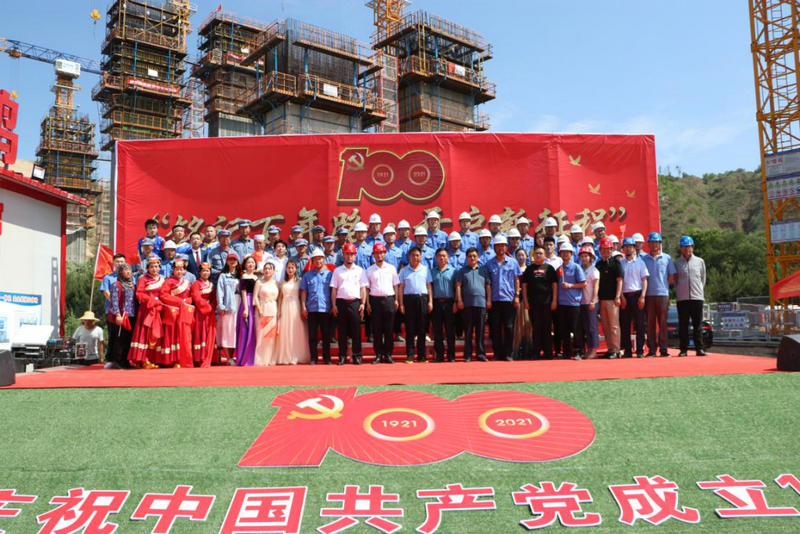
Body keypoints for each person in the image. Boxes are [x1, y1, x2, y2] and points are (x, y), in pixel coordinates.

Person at [485, 235, 521, 361]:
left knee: (509, 327)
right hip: (494, 300)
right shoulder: (489, 264)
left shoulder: (513, 262)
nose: (500, 248)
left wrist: (517, 296)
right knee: (495, 328)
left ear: (506, 247)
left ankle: (508, 353)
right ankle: (497, 353)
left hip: (509, 299)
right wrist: (488, 300)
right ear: (494, 248)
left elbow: (516, 280)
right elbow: (488, 284)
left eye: (503, 245)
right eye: (498, 246)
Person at [330, 243, 368, 365]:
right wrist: (334, 305)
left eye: (352, 254)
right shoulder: (337, 271)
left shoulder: (360, 271)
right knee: (342, 332)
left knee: (356, 331)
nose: (349, 256)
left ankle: (356, 356)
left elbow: (363, 288)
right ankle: (342, 356)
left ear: (355, 256)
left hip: (355, 303)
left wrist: (363, 303)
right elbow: (334, 289)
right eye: (347, 254)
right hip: (341, 303)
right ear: (343, 255)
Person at [642, 232, 676, 357]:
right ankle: (652, 350)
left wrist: (663, 285)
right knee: (650, 323)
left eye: (656, 242)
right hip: (649, 295)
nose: (654, 245)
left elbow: (671, 276)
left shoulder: (667, 258)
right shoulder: (644, 259)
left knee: (663, 323)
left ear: (660, 244)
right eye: (651, 243)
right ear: (648, 244)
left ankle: (664, 349)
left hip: (663, 294)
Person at [521, 245, 558, 360]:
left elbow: (554, 285)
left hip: (547, 303)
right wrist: (525, 301)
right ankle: (536, 352)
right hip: (533, 303)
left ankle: (548, 352)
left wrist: (554, 300)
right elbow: (524, 286)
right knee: (536, 328)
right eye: (536, 253)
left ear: (545, 255)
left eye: (541, 253)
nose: (538, 255)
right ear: (533, 255)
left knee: (547, 328)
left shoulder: (549, 268)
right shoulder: (529, 269)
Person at [365, 242, 400, 364]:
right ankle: (378, 355)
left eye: (381, 253)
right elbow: (367, 288)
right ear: (373, 255)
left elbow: (396, 285)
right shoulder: (369, 270)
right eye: (377, 253)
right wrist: (368, 303)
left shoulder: (391, 268)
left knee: (389, 329)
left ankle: (388, 354)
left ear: (385, 254)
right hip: (375, 300)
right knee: (377, 330)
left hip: (389, 299)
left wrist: (396, 300)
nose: (379, 255)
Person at [398, 246, 433, 362]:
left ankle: (422, 356)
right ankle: (410, 355)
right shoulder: (404, 271)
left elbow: (429, 286)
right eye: (413, 255)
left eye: (417, 255)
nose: (415, 257)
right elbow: (401, 288)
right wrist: (401, 304)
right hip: (409, 300)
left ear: (421, 257)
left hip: (422, 299)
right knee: (410, 329)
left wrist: (430, 301)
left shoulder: (425, 269)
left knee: (422, 328)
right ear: (409, 257)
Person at [674, 235, 707, 356]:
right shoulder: (677, 263)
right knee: (683, 325)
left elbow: (703, 278)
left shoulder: (700, 261)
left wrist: (698, 290)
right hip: (682, 298)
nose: (686, 249)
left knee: (698, 324)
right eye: (684, 246)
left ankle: (700, 348)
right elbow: (675, 280)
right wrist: (680, 290)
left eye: (688, 246)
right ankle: (683, 349)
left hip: (697, 297)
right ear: (680, 248)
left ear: (692, 247)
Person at [129, 256, 164, 368]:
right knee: (146, 333)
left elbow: (165, 293)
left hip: (159, 309)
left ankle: (155, 358)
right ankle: (144, 359)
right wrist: (151, 300)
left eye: (156, 266)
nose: (154, 269)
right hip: (147, 310)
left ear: (159, 268)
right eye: (152, 267)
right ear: (148, 268)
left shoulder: (163, 279)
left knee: (156, 334)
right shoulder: (143, 279)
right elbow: (139, 294)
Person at [159, 258, 194, 368]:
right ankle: (171, 359)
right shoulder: (168, 281)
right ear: (173, 270)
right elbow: (163, 295)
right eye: (177, 269)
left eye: (181, 269)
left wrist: (188, 301)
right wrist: (179, 302)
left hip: (184, 313)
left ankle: (181, 358)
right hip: (172, 312)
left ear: (184, 271)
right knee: (172, 335)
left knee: (183, 336)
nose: (179, 272)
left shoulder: (187, 282)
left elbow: (190, 297)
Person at [455, 247, 489, 362]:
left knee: (480, 331)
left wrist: (488, 300)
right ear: (466, 258)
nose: (472, 258)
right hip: (467, 304)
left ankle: (481, 354)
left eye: (474, 256)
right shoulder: (462, 271)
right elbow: (458, 286)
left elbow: (488, 286)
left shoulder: (483, 270)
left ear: (478, 257)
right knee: (468, 331)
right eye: (470, 256)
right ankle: (468, 355)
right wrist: (459, 300)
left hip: (481, 304)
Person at [301, 250, 334, 364]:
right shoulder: (307, 275)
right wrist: (303, 306)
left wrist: (333, 305)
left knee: (326, 336)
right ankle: (313, 358)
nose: (318, 261)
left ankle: (327, 358)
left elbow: (333, 291)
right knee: (312, 336)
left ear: (323, 260)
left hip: (325, 308)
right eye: (316, 259)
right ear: (312, 261)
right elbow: (304, 291)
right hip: (312, 309)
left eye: (320, 258)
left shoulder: (330, 274)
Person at [275, 260, 310, 365]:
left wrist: (303, 308)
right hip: (285, 307)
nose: (290, 269)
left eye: (292, 267)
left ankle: (296, 355)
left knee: (296, 330)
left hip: (296, 306)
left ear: (295, 269)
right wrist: (279, 310)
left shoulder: (299, 281)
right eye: (288, 268)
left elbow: (302, 296)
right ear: (286, 269)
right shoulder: (282, 283)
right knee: (285, 331)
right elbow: (280, 298)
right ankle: (286, 356)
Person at [619, 237, 649, 358]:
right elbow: (619, 281)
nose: (628, 249)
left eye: (630, 246)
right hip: (625, 297)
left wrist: (643, 296)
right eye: (626, 247)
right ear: (623, 249)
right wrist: (621, 297)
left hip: (638, 296)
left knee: (640, 324)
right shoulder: (621, 263)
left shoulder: (641, 262)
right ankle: (627, 350)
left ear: (634, 248)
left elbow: (644, 280)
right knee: (625, 325)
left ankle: (640, 350)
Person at [556, 243, 586, 360]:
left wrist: (570, 285)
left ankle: (579, 351)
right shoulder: (559, 269)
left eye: (567, 252)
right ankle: (567, 352)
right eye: (563, 252)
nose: (565, 254)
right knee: (564, 329)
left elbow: (583, 283)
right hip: (562, 303)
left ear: (571, 254)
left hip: (574, 303)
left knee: (576, 329)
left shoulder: (576, 267)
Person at [595, 237, 623, 358]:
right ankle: (610, 348)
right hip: (602, 299)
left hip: (612, 299)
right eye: (603, 249)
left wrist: (618, 296)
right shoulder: (598, 264)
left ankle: (616, 350)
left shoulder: (616, 263)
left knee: (614, 325)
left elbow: (620, 280)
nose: (606, 251)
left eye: (608, 249)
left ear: (612, 249)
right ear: (600, 250)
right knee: (605, 326)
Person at [107, 263, 137, 369]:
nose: (128, 272)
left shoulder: (133, 285)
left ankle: (126, 361)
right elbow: (114, 302)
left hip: (132, 315)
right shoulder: (116, 285)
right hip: (122, 315)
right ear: (120, 272)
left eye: (129, 270)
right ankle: (118, 361)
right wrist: (117, 315)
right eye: (125, 270)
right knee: (120, 339)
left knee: (128, 339)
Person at [431, 248, 457, 362]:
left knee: (450, 330)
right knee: (437, 331)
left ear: (448, 257)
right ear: (436, 258)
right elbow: (430, 288)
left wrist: (456, 302)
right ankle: (440, 355)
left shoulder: (454, 271)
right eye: (439, 256)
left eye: (444, 255)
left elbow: (457, 288)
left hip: (449, 303)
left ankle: (451, 355)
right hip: (436, 303)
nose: (442, 258)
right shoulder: (432, 272)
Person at [252, 261, 280, 366]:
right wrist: (259, 309)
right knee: (261, 334)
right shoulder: (259, 282)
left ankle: (270, 358)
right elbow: (255, 297)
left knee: (271, 335)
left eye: (269, 268)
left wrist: (279, 311)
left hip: (273, 309)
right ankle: (260, 359)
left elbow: (279, 298)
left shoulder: (276, 283)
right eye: (266, 268)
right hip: (262, 309)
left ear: (273, 271)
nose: (267, 270)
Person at [191, 262, 217, 367]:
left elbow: (214, 299)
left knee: (209, 334)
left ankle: (210, 357)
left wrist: (211, 307)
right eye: (203, 271)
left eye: (207, 271)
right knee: (200, 333)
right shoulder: (196, 284)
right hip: (200, 312)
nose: (206, 273)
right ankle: (199, 358)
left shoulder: (212, 285)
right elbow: (196, 298)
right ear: (199, 272)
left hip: (210, 313)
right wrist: (206, 307)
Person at [101, 253, 126, 361]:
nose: (120, 263)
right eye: (117, 261)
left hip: (126, 312)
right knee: (113, 335)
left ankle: (124, 359)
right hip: (112, 311)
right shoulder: (108, 278)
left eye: (122, 261)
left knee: (125, 336)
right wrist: (117, 305)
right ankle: (111, 359)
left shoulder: (129, 277)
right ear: (113, 263)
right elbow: (106, 293)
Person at [235, 255, 259, 366]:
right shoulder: (244, 276)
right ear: (245, 265)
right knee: (245, 330)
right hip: (247, 302)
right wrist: (245, 308)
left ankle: (252, 357)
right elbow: (243, 293)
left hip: (255, 302)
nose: (251, 264)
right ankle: (244, 358)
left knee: (253, 330)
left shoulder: (257, 277)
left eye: (252, 262)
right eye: (248, 262)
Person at [216, 253, 240, 364]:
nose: (232, 261)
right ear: (226, 261)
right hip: (228, 305)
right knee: (227, 331)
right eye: (230, 259)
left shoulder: (241, 275)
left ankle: (235, 356)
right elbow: (220, 291)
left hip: (239, 304)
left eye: (234, 259)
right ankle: (228, 357)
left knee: (236, 331)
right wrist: (221, 305)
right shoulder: (223, 276)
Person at [578, 245, 600, 358]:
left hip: (592, 302)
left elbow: (596, 286)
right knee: (586, 327)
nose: (584, 258)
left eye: (586, 256)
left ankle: (594, 350)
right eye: (582, 256)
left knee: (592, 327)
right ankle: (589, 349)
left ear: (591, 257)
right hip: (582, 302)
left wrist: (593, 300)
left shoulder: (594, 270)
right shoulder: (580, 269)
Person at [512, 247, 533, 358]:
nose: (521, 257)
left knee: (528, 325)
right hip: (517, 300)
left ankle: (528, 350)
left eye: (523, 255)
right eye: (519, 255)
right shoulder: (513, 269)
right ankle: (517, 350)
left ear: (526, 256)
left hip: (527, 300)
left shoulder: (530, 269)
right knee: (518, 326)